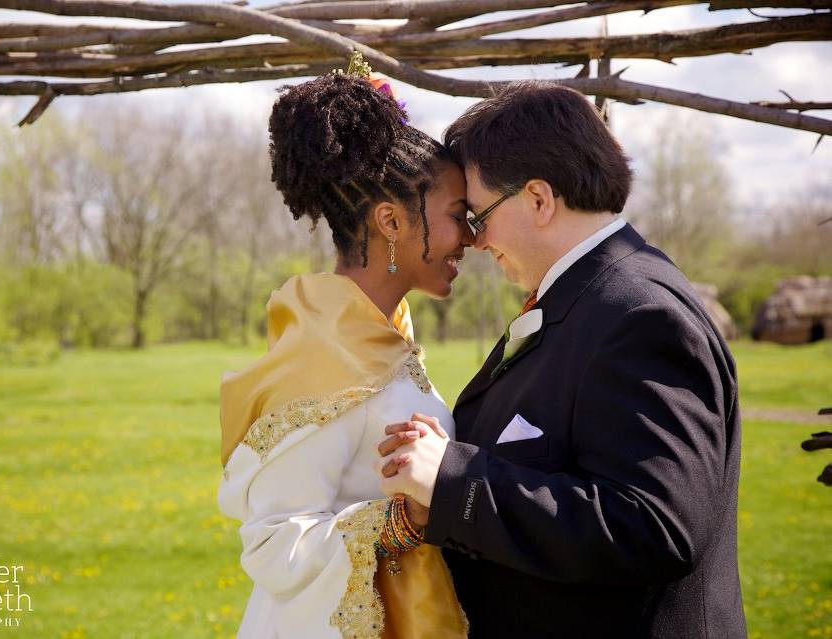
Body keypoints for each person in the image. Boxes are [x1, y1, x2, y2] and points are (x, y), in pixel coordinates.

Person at [376, 81, 746, 638]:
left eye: (478, 217)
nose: (474, 242)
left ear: (539, 199)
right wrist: (452, 467)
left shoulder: (640, 316)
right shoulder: (587, 297)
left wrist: (456, 481)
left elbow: (654, 526)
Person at [218, 54, 473, 639]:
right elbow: (274, 541)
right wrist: (403, 520)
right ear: (390, 220)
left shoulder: (385, 337)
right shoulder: (324, 353)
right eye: (458, 217)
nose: (471, 238)